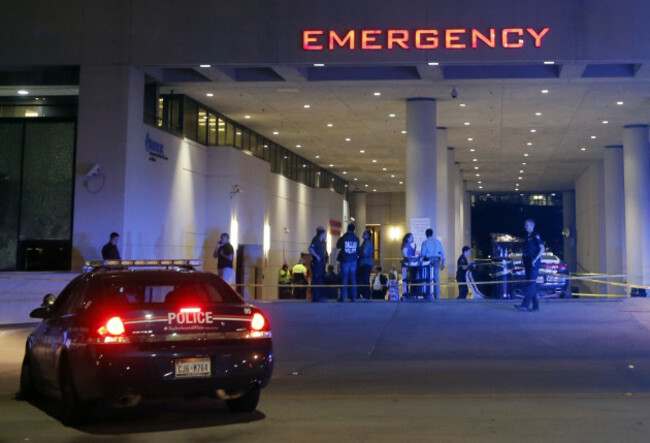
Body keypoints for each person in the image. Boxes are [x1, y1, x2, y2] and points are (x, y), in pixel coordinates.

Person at [515, 219, 545, 312]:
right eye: (525, 225)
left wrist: (535, 260)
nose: (525, 227)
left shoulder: (535, 235)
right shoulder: (527, 237)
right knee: (531, 285)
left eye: (527, 225)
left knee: (530, 283)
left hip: (533, 263)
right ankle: (536, 306)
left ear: (532, 226)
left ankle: (525, 305)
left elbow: (542, 248)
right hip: (527, 262)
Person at [336, 223, 360, 302]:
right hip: (353, 260)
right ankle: (354, 297)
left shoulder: (344, 238)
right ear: (354, 230)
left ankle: (343, 297)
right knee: (353, 279)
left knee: (344, 279)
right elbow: (357, 249)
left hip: (345, 260)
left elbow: (338, 245)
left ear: (347, 229)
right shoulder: (356, 239)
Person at [420, 228, 446, 299]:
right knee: (436, 278)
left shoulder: (425, 242)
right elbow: (443, 254)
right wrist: (443, 263)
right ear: (432, 233)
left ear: (426, 234)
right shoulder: (438, 242)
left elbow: (422, 254)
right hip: (437, 261)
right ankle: (437, 296)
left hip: (428, 262)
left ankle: (428, 295)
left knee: (428, 279)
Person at [309, 226, 328, 302]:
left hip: (322, 263)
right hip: (317, 263)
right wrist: (317, 256)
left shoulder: (322, 242)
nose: (325, 235)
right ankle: (316, 297)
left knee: (321, 279)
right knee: (317, 279)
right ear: (322, 233)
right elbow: (310, 248)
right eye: (324, 233)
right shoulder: (316, 240)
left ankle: (320, 296)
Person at [357, 230, 374, 300]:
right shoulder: (365, 243)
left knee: (365, 280)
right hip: (365, 263)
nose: (363, 235)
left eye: (364, 234)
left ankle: (366, 296)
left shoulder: (367, 243)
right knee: (364, 279)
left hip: (366, 263)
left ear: (368, 235)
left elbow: (364, 253)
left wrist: (359, 255)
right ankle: (365, 295)